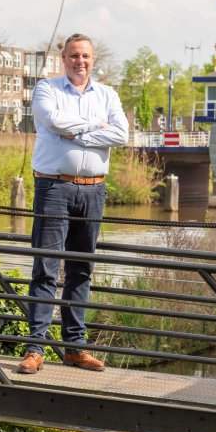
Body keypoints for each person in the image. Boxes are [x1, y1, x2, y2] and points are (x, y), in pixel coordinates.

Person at [18, 33, 129, 374]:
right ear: (63, 58)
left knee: (81, 270)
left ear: (93, 59)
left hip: (94, 190)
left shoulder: (107, 94)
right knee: (46, 269)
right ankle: (36, 348)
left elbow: (121, 134)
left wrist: (78, 132)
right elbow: (54, 121)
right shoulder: (47, 89)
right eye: (74, 55)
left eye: (86, 56)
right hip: (54, 187)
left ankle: (74, 348)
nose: (80, 61)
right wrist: (98, 126)